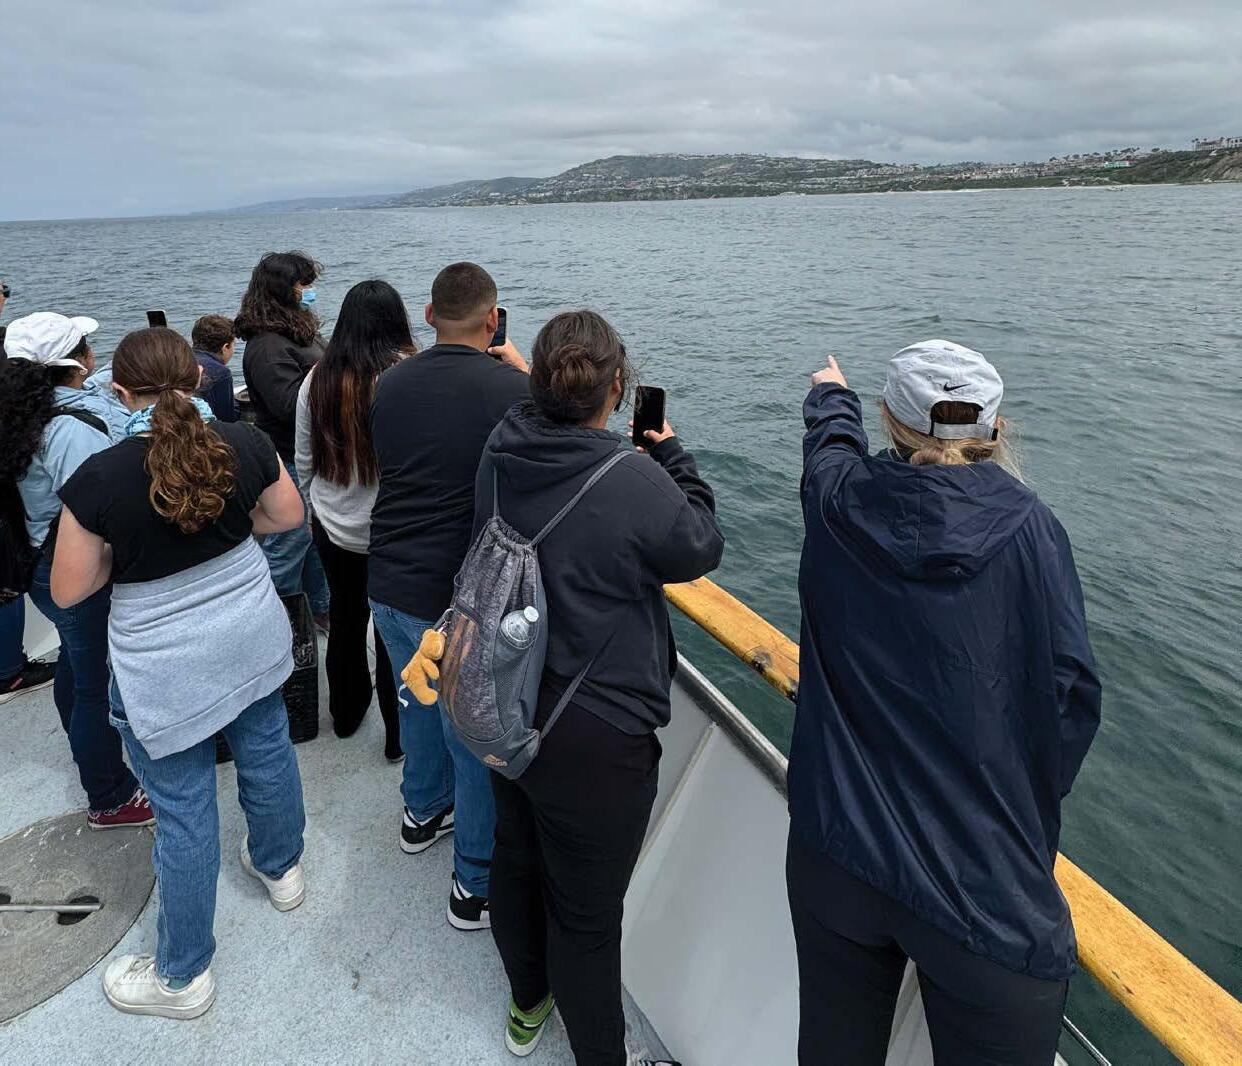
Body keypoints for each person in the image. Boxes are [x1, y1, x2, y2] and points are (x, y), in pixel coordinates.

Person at [787, 341, 1101, 1066]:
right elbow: (1073, 700)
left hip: (838, 852)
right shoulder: (1034, 531)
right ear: (996, 429)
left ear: (889, 421)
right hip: (983, 888)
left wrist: (831, 393)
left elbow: (829, 448)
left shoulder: (837, 501)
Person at [470, 310, 724, 1064]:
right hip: (595, 733)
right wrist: (672, 455)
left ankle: (527, 1006)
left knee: (515, 856)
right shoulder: (630, 477)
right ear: (617, 387)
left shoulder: (500, 445)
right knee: (586, 922)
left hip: (505, 698)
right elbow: (700, 544)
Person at [51, 327, 308, 1019]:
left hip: (165, 670)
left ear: (119, 391)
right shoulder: (244, 442)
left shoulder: (99, 478)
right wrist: (232, 531)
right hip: (251, 637)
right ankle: (282, 868)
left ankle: (183, 976)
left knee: (185, 811)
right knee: (268, 750)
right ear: (197, 380)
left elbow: (70, 589)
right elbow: (287, 515)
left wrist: (127, 558)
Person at [368, 262, 528, 930]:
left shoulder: (389, 383)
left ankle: (421, 813)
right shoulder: (512, 390)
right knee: (473, 742)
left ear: (430, 315)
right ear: (493, 320)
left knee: (417, 704)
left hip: (388, 579)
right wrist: (523, 372)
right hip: (458, 598)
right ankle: (474, 887)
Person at [0, 312, 151, 827]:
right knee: (93, 680)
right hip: (71, 568)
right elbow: (97, 508)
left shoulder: (23, 414)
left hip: (37, 561)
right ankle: (110, 796)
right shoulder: (70, 429)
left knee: (74, 659)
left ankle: (83, 745)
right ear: (76, 362)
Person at [295, 280, 412, 759]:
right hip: (392, 526)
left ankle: (345, 714)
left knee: (345, 616)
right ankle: (397, 738)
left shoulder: (317, 379)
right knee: (391, 630)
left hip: (333, 523)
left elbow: (304, 458)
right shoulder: (405, 376)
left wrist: (313, 510)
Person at [235, 251, 329, 625]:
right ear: (283, 289)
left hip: (312, 455)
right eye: (304, 284)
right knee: (289, 544)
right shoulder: (267, 347)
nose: (309, 291)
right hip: (288, 459)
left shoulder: (296, 331)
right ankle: (281, 618)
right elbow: (289, 406)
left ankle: (320, 607)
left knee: (313, 540)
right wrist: (330, 380)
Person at [190, 314, 239, 422]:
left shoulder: (180, 360)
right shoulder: (221, 373)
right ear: (225, 347)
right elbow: (226, 417)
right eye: (233, 344)